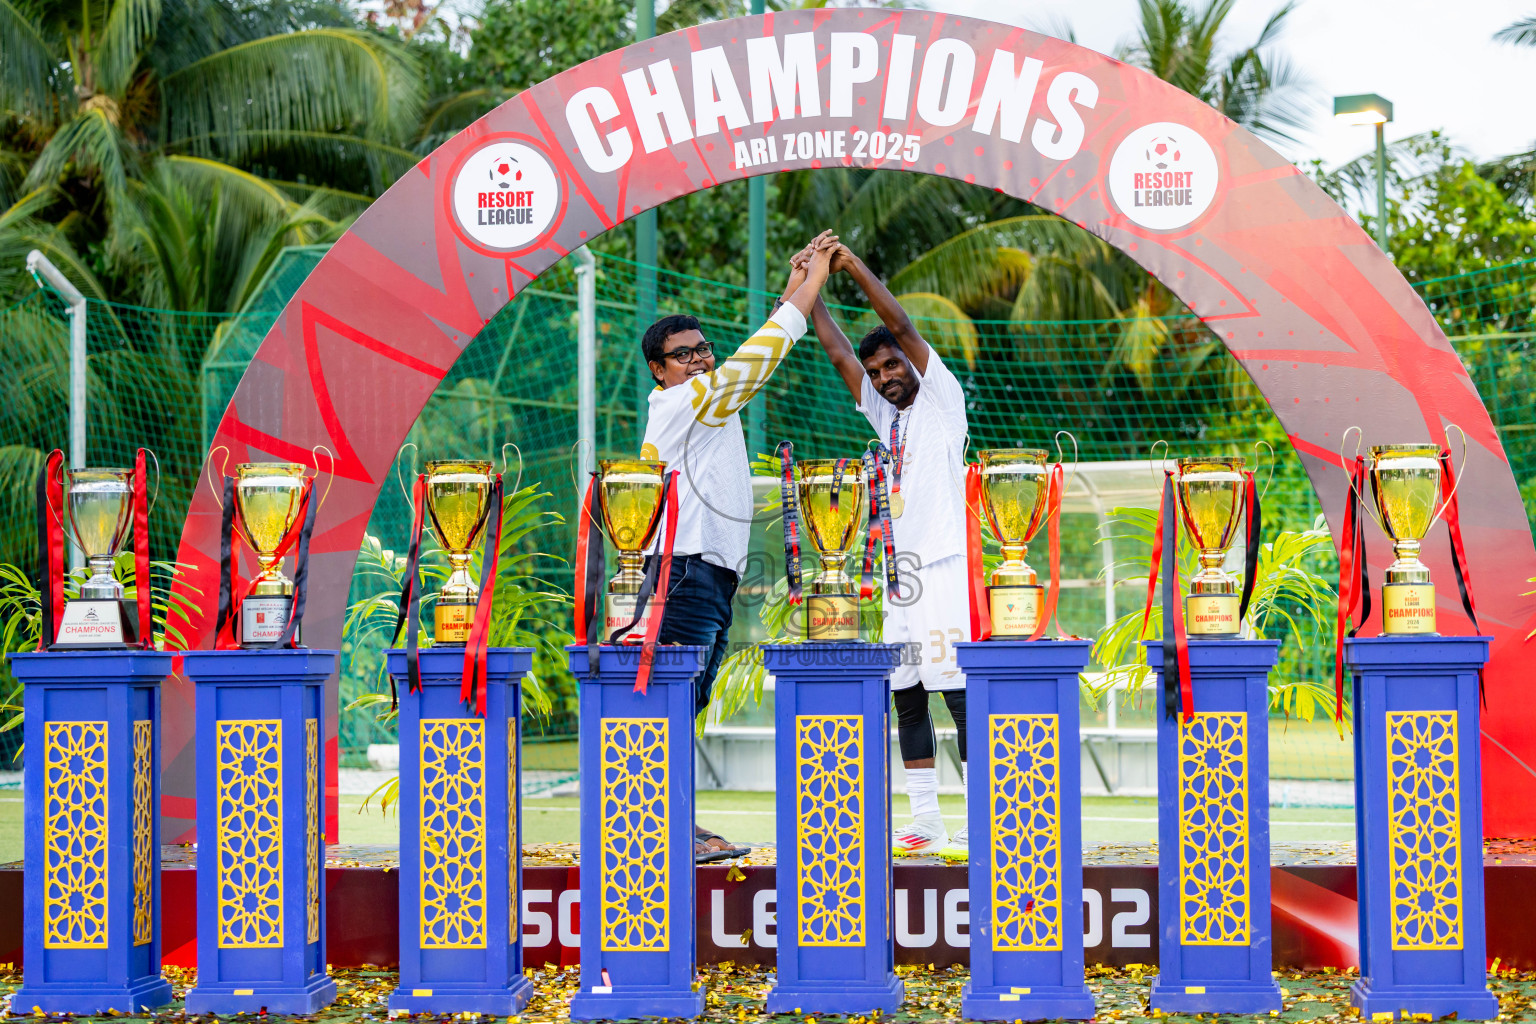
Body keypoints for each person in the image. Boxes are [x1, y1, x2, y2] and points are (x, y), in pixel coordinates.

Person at [639, 230, 838, 862]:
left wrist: (797, 280)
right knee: (675, 702)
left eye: (703, 349)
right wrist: (815, 282)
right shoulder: (684, 404)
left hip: (706, 577)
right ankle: (665, 830)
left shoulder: (703, 398)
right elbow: (764, 353)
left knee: (684, 703)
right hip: (684, 572)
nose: (698, 360)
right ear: (659, 370)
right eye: (682, 354)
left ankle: (674, 824)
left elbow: (751, 354)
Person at [797, 241, 972, 861]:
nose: (884, 377)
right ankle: (925, 819)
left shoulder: (941, 403)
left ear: (914, 365)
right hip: (902, 576)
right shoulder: (887, 417)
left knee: (957, 692)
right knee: (906, 692)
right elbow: (839, 351)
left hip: (946, 564)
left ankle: (982, 819)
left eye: (892, 367)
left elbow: (899, 325)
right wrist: (807, 285)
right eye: (877, 373)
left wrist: (847, 266)